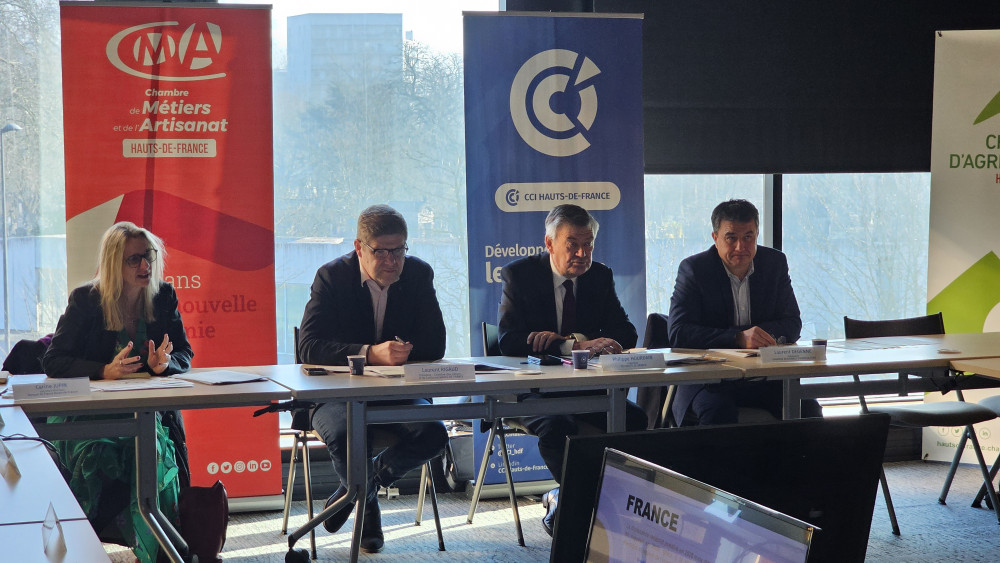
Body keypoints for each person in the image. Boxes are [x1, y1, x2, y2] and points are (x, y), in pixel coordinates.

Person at [298, 204, 448, 553]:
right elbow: (309, 346)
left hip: (397, 391)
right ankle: (368, 513)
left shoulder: (418, 274)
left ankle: (355, 491)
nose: (392, 261)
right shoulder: (332, 276)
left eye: (399, 250)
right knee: (346, 433)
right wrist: (369, 352)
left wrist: (403, 350)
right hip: (337, 394)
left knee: (434, 434)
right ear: (359, 248)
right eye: (381, 252)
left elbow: (436, 344)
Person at [42, 221, 193, 563]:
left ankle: (157, 553)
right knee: (98, 453)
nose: (145, 265)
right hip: (89, 416)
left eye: (148, 256)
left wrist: (163, 365)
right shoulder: (86, 300)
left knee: (153, 451)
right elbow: (54, 360)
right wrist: (103, 370)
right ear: (113, 263)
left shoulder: (163, 296)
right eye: (134, 259)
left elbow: (185, 352)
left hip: (145, 412)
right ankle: (78, 549)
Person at [497, 204, 648, 536]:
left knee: (635, 419)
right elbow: (508, 340)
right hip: (536, 392)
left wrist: (587, 341)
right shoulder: (519, 275)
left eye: (588, 244)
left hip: (587, 389)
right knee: (558, 426)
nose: (583, 254)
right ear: (550, 244)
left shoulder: (600, 276)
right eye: (573, 245)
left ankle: (570, 498)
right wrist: (571, 345)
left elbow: (626, 332)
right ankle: (587, 505)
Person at [667, 199, 821, 425]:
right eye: (731, 238)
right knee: (718, 412)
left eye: (748, 237)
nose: (741, 247)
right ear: (715, 238)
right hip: (709, 380)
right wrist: (738, 338)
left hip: (764, 377)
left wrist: (759, 336)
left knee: (807, 407)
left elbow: (792, 323)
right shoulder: (695, 269)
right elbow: (679, 333)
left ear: (757, 235)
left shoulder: (774, 263)